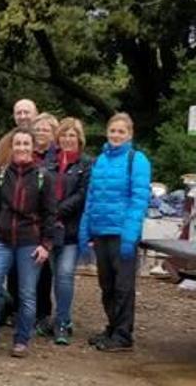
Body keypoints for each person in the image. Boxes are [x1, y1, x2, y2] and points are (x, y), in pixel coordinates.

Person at [0, 127, 56, 358]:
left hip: (30, 243)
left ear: (33, 147)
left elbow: (50, 213)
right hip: (2, 241)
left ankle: (22, 340)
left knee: (26, 293)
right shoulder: (1, 175)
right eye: (18, 144)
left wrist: (46, 244)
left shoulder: (44, 177)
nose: (22, 148)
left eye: (26, 144)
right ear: (11, 147)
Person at [79, 112, 150, 352]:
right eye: (113, 131)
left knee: (123, 286)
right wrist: (85, 228)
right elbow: (92, 196)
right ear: (107, 132)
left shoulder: (137, 160)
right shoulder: (100, 160)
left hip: (122, 232)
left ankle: (123, 334)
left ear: (129, 134)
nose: (116, 135)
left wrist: (130, 235)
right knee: (106, 284)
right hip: (101, 231)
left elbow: (138, 199)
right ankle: (112, 326)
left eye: (121, 131)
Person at [44, 117, 92, 345]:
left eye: (72, 135)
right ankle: (60, 317)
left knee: (64, 275)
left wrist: (57, 210)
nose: (67, 139)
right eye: (64, 135)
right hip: (51, 230)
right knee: (55, 275)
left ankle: (62, 321)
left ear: (79, 139)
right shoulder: (50, 162)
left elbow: (82, 195)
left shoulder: (85, 164)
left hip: (71, 229)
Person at [30, 111, 60, 336]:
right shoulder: (25, 153)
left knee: (46, 271)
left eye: (45, 129)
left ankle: (43, 314)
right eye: (37, 129)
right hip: (26, 220)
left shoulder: (59, 158)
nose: (41, 133)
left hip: (50, 218)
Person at [0, 99, 39, 168]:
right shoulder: (5, 141)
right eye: (18, 113)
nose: (22, 116)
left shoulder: (45, 136)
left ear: (36, 114)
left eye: (26, 112)